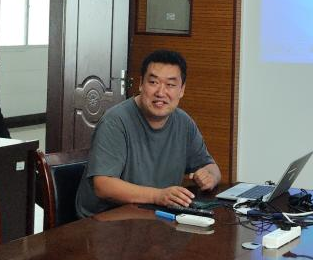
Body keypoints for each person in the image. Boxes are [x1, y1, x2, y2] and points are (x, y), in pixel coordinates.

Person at [77, 49, 221, 218]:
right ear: (141, 84)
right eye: (153, 82)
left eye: (170, 85)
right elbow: (103, 186)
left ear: (182, 90)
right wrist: (157, 196)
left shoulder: (184, 122)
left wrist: (210, 177)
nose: (161, 92)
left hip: (154, 216)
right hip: (105, 220)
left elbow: (212, 168)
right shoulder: (115, 122)